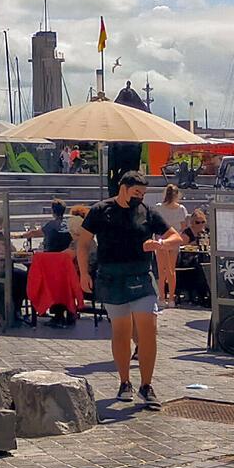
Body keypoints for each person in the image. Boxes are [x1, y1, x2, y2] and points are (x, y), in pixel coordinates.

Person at [76, 173, 179, 407]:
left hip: (141, 276)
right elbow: (83, 244)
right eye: (136, 192)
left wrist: (160, 243)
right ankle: (124, 381)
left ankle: (146, 384)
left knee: (148, 330)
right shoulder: (100, 210)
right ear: (123, 188)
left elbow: (175, 236)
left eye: (143, 194)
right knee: (121, 332)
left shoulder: (147, 212)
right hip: (111, 277)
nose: (139, 197)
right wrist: (83, 274)